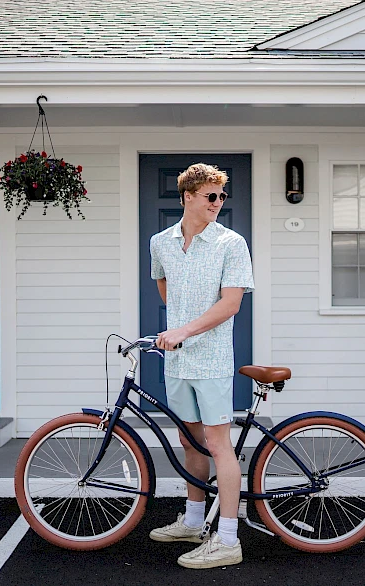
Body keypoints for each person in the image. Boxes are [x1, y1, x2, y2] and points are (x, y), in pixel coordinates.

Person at [148, 163, 254, 569]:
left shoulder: (231, 243)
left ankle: (227, 538)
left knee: (217, 444)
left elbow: (231, 304)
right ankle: (194, 521)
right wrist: (177, 331)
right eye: (211, 196)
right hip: (176, 362)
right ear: (187, 197)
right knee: (189, 442)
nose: (218, 203)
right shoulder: (161, 242)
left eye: (222, 197)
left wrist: (185, 329)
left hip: (211, 359)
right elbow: (165, 288)